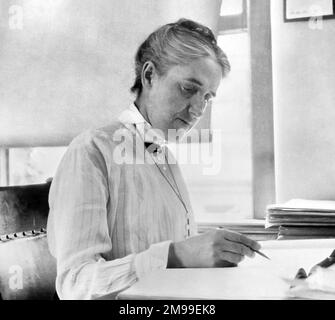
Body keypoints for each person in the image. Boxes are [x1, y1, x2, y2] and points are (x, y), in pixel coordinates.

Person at [47, 18, 261, 300]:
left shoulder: (165, 158)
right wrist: (173, 255)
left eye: (208, 97)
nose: (198, 110)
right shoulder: (92, 150)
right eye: (189, 89)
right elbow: (75, 284)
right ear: (149, 76)